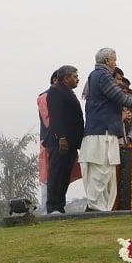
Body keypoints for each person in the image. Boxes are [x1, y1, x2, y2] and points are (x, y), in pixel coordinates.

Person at [81, 48, 132, 211]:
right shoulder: (103, 77)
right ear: (106, 61)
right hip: (102, 132)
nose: (115, 63)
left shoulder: (93, 76)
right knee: (101, 170)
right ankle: (96, 207)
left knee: (105, 171)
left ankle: (101, 207)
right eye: (114, 60)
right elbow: (120, 97)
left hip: (98, 132)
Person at [44, 65, 84, 214]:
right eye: (74, 76)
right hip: (60, 142)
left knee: (64, 175)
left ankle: (59, 206)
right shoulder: (55, 92)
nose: (77, 79)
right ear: (66, 78)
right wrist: (61, 138)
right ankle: (53, 206)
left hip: (71, 143)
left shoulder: (68, 93)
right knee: (56, 174)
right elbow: (56, 117)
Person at [36, 70, 58, 215]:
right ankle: (46, 211)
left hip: (56, 143)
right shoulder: (44, 97)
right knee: (47, 178)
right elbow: (48, 121)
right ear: (56, 80)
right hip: (48, 142)